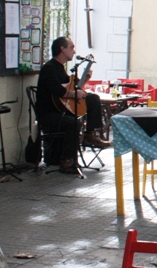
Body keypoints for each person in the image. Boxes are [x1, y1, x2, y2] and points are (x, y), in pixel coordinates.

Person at [36, 37, 110, 173]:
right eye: (71, 48)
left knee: (93, 98)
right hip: (49, 113)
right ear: (62, 49)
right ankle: (67, 161)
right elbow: (57, 90)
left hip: (62, 109)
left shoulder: (61, 69)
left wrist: (84, 80)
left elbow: (71, 89)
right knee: (74, 123)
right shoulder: (49, 68)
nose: (74, 51)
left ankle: (90, 135)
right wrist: (73, 94)